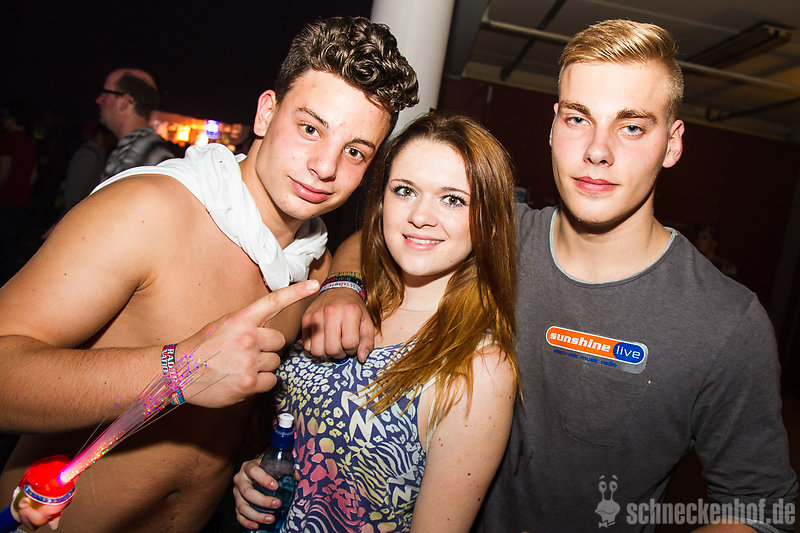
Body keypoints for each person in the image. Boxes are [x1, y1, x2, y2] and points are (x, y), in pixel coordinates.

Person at [297, 19, 798, 533]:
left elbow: (759, 509)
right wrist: (344, 286)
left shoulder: (724, 321)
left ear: (672, 143)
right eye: (579, 119)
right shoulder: (496, 235)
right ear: (553, 127)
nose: (598, 150)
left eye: (631, 127)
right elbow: (379, 238)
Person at [0, 15, 417, 533]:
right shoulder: (150, 211)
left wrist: (256, 462)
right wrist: (178, 371)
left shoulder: (312, 261)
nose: (325, 167)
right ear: (266, 113)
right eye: (310, 129)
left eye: (354, 152)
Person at [233, 112, 519, 532]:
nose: (420, 216)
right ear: (382, 201)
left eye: (453, 199)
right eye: (405, 191)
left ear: (487, 220)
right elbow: (312, 444)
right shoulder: (352, 298)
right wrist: (259, 472)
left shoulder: (479, 367)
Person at [95, 68, 175, 182]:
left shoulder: (138, 158)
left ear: (124, 102)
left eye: (105, 94)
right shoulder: (139, 149)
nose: (98, 100)